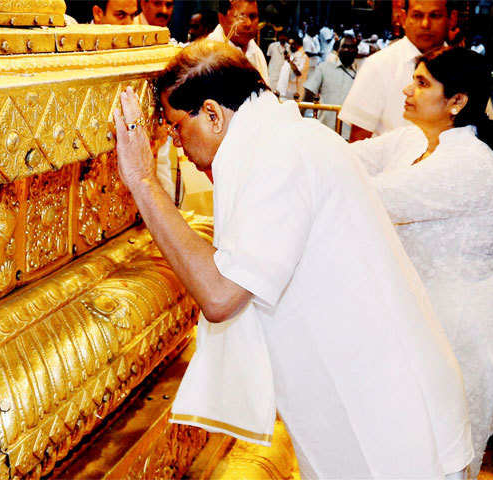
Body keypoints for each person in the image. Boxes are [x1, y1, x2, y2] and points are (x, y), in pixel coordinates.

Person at [113, 39, 473, 479]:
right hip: (375, 398)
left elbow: (222, 294)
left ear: (212, 114)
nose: (173, 142)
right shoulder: (280, 138)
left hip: (388, 419)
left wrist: (142, 180)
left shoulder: (277, 155)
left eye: (173, 127)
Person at [349, 47, 493, 478]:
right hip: (421, 317)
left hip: (459, 328)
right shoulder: (415, 139)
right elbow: (347, 160)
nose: (408, 90)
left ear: (457, 101)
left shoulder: (468, 162)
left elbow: (368, 197)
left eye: (423, 83)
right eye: (414, 79)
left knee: (437, 460)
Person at [339, 0, 458, 141]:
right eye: (417, 15)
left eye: (435, 15)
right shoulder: (378, 65)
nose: (425, 24)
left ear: (452, 19)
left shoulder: (466, 67)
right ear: (403, 18)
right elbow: (358, 142)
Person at [304, 35, 358, 139]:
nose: (347, 50)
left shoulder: (361, 74)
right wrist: (299, 117)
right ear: (338, 49)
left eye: (351, 47)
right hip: (324, 133)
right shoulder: (324, 68)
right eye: (344, 46)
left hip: (348, 136)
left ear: (356, 51)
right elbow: (309, 92)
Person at [207, 0, 269, 86]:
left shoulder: (256, 52)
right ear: (221, 18)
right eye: (241, 17)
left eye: (253, 16)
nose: (248, 24)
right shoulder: (206, 54)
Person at [276, 36, 309, 100]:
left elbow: (298, 72)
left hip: (295, 93)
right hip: (285, 91)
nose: (290, 46)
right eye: (289, 44)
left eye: (292, 44)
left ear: (298, 44)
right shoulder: (293, 55)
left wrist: (289, 61)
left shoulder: (303, 57)